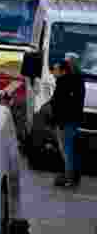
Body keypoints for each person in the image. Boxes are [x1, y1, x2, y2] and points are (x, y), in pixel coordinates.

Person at [50, 53, 85, 188]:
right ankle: (72, 176)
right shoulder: (78, 79)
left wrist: (58, 119)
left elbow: (61, 103)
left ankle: (69, 178)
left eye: (66, 62)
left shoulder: (68, 80)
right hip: (72, 119)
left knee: (67, 149)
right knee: (70, 149)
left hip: (66, 121)